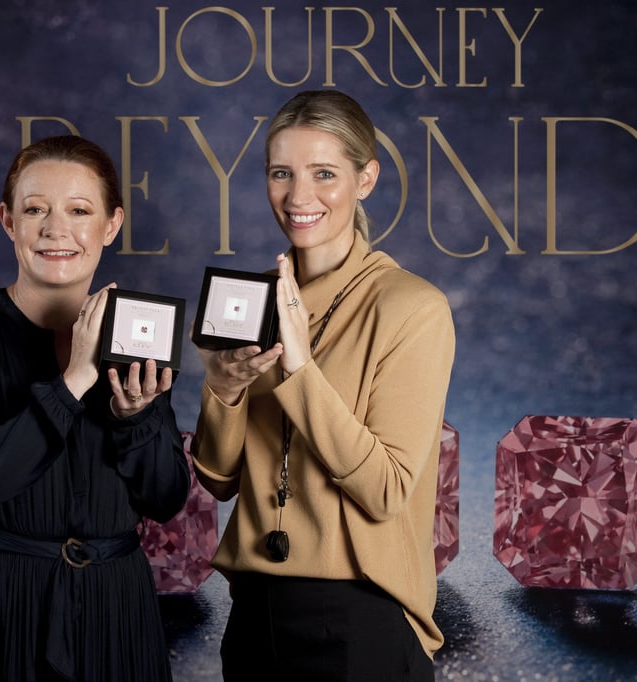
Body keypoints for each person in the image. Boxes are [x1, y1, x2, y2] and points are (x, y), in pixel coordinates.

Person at [191, 90, 455, 681]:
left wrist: (300, 372)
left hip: (360, 613)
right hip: (255, 607)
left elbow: (386, 491)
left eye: (324, 173)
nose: (298, 196)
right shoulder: (249, 298)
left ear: (366, 179)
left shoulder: (412, 307)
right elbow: (217, 479)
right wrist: (224, 390)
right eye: (281, 173)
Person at [0, 135, 190, 681]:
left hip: (115, 608)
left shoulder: (140, 331)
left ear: (111, 225)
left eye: (79, 211)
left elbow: (166, 500)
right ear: (8, 221)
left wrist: (137, 418)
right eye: (35, 209)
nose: (55, 229)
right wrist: (72, 383)